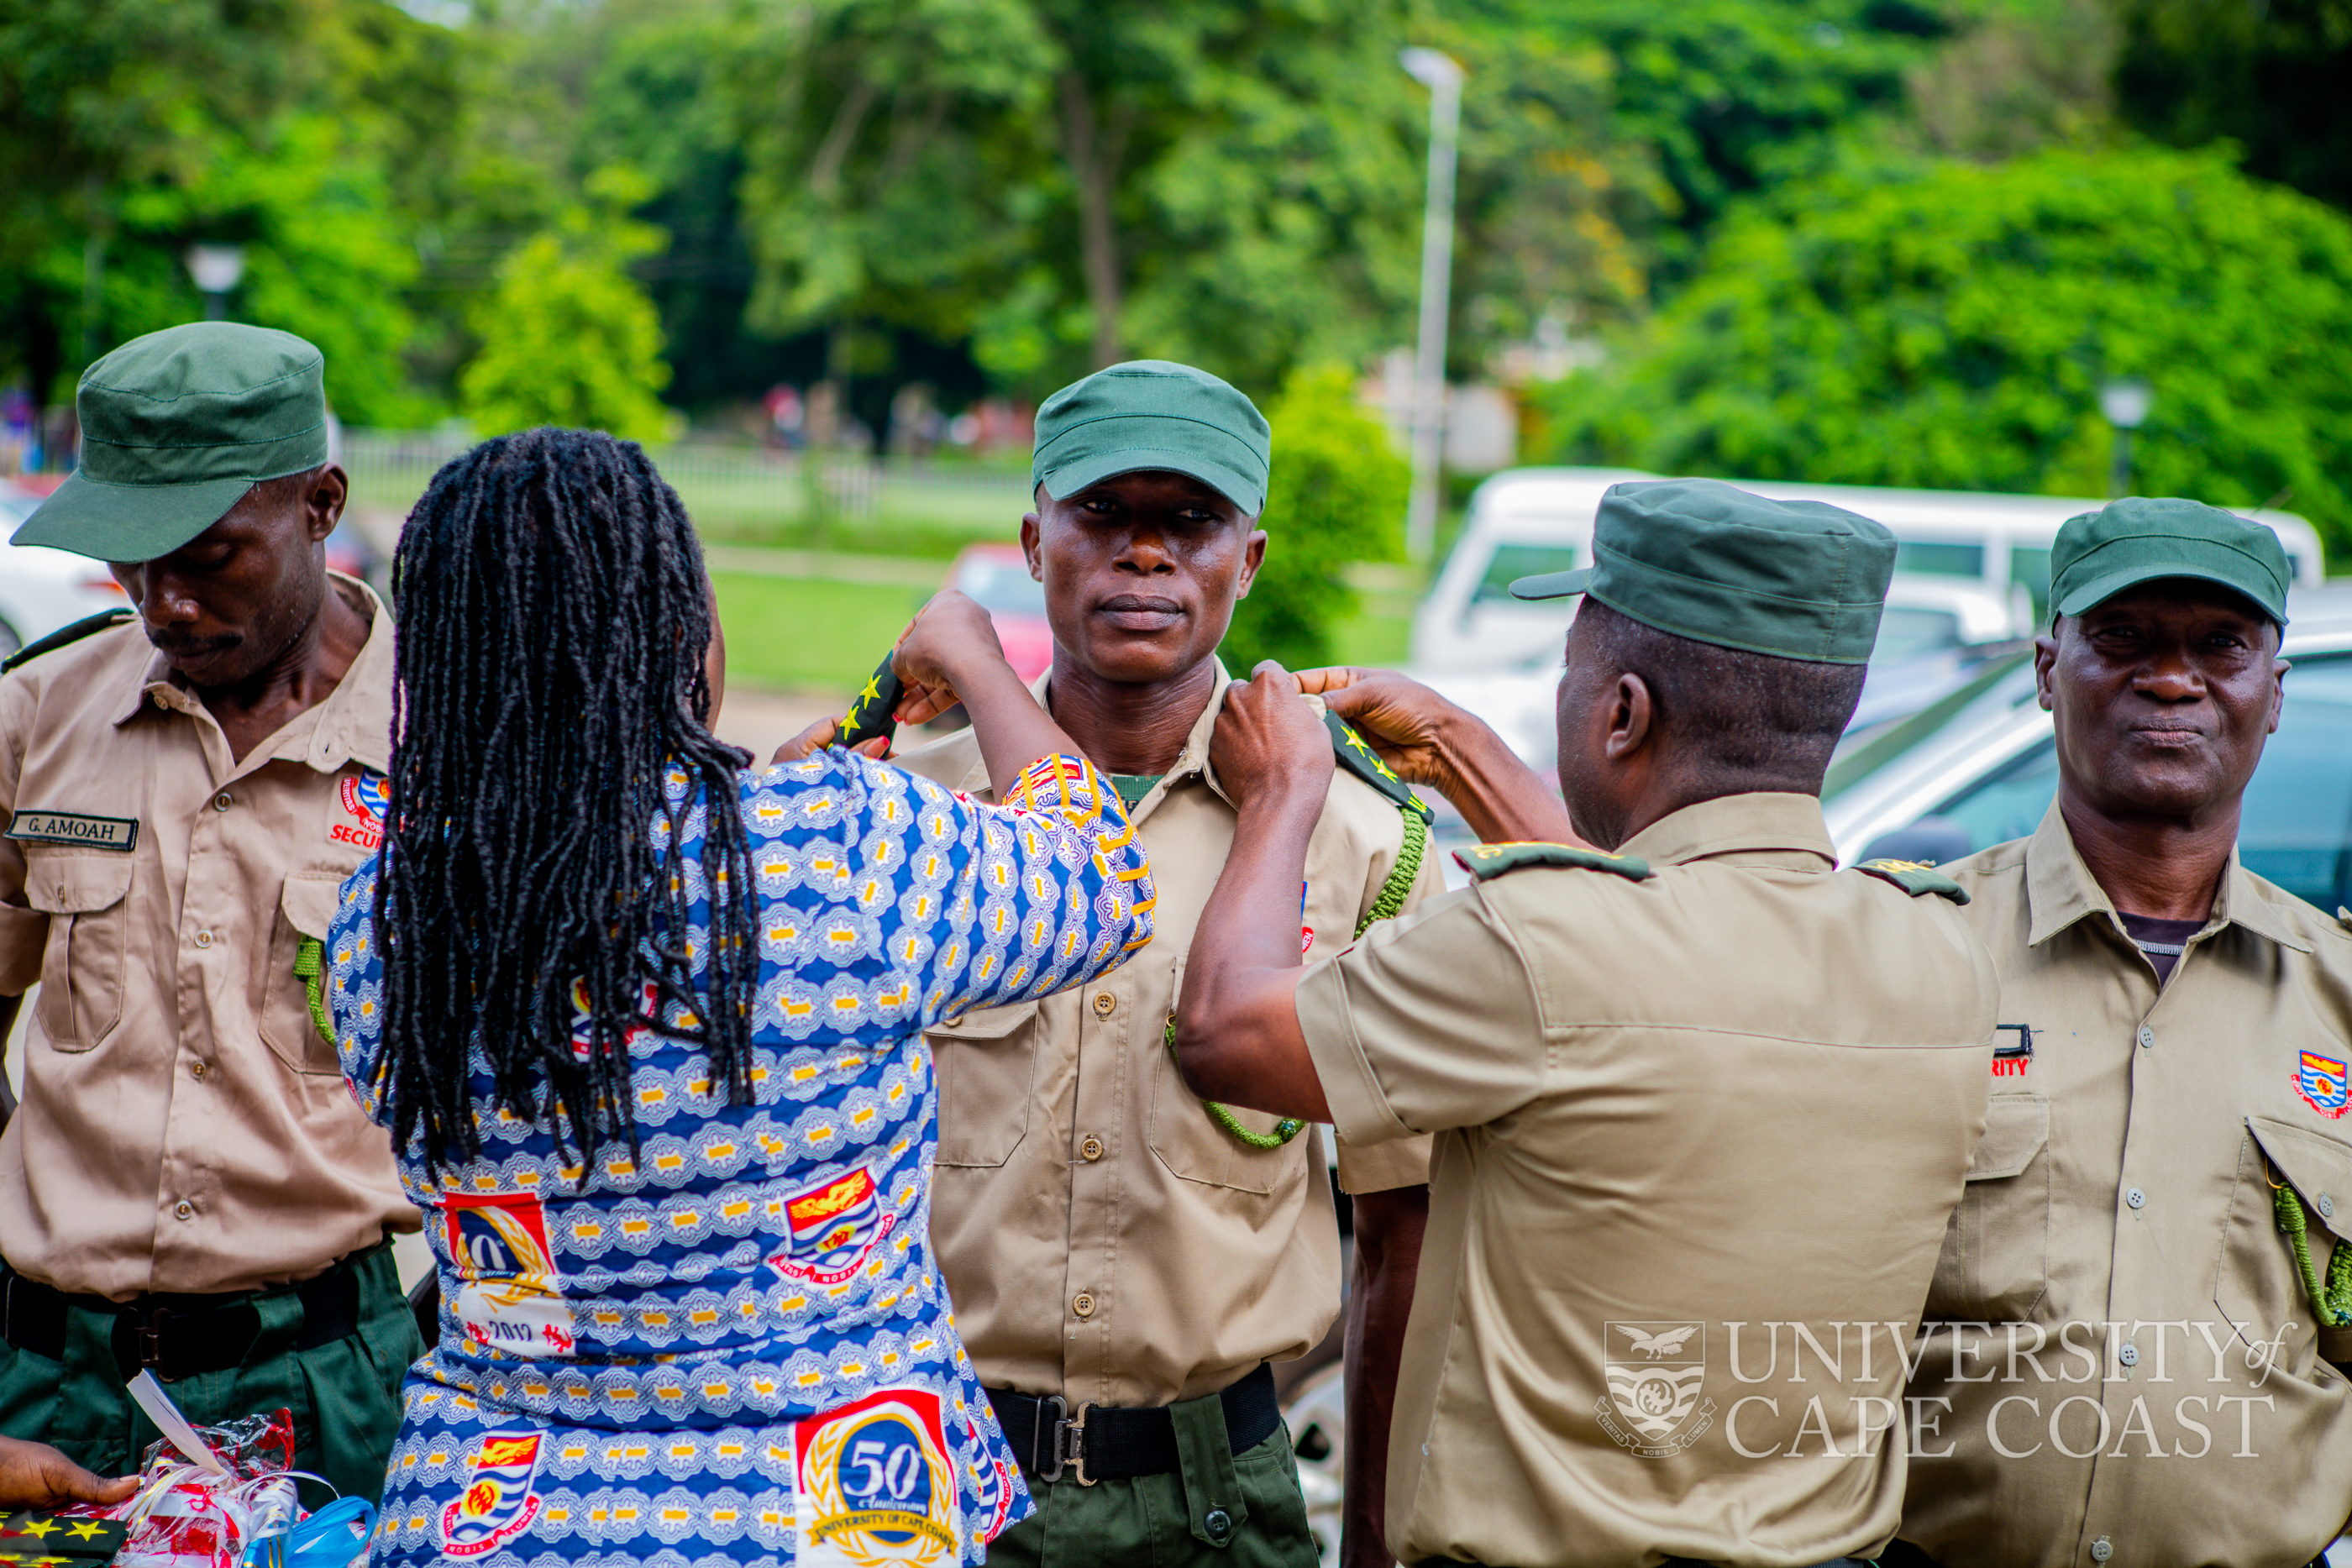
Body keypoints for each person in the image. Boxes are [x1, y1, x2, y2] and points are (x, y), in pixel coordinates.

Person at [327, 427, 1155, 1567]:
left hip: (491, 1514)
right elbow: (1100, 879)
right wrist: (972, 656)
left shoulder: (382, 920)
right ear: (679, 626)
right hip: (829, 1513)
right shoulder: (837, 844)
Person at [1172, 477, 2006, 1568]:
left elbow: (1227, 1031)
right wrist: (1468, 749)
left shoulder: (1535, 950)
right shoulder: (1940, 955)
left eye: (1570, 676)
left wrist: (1283, 792)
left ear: (1622, 712)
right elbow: (1653, 937)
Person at [789, 359, 1440, 1568]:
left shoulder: (1357, 843)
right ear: (1036, 542)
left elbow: (1400, 1221)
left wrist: (1371, 1539)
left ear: (1248, 561)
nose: (1146, 555)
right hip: (917, 1471)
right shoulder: (897, 810)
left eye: (1189, 521)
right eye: (1104, 516)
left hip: (1216, 1497)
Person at [1885, 500, 2352, 1568]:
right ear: (2050, 668)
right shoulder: (1908, 953)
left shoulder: (2338, 995)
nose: (2174, 679)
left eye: (2220, 646)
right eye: (2125, 638)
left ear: (2272, 694)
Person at [0, 323, 420, 1498]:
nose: (167, 603)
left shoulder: (441, 739)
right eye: (133, 564)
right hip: (46, 1385)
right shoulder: (37, 712)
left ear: (322, 502)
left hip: (323, 1387)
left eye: (212, 555)